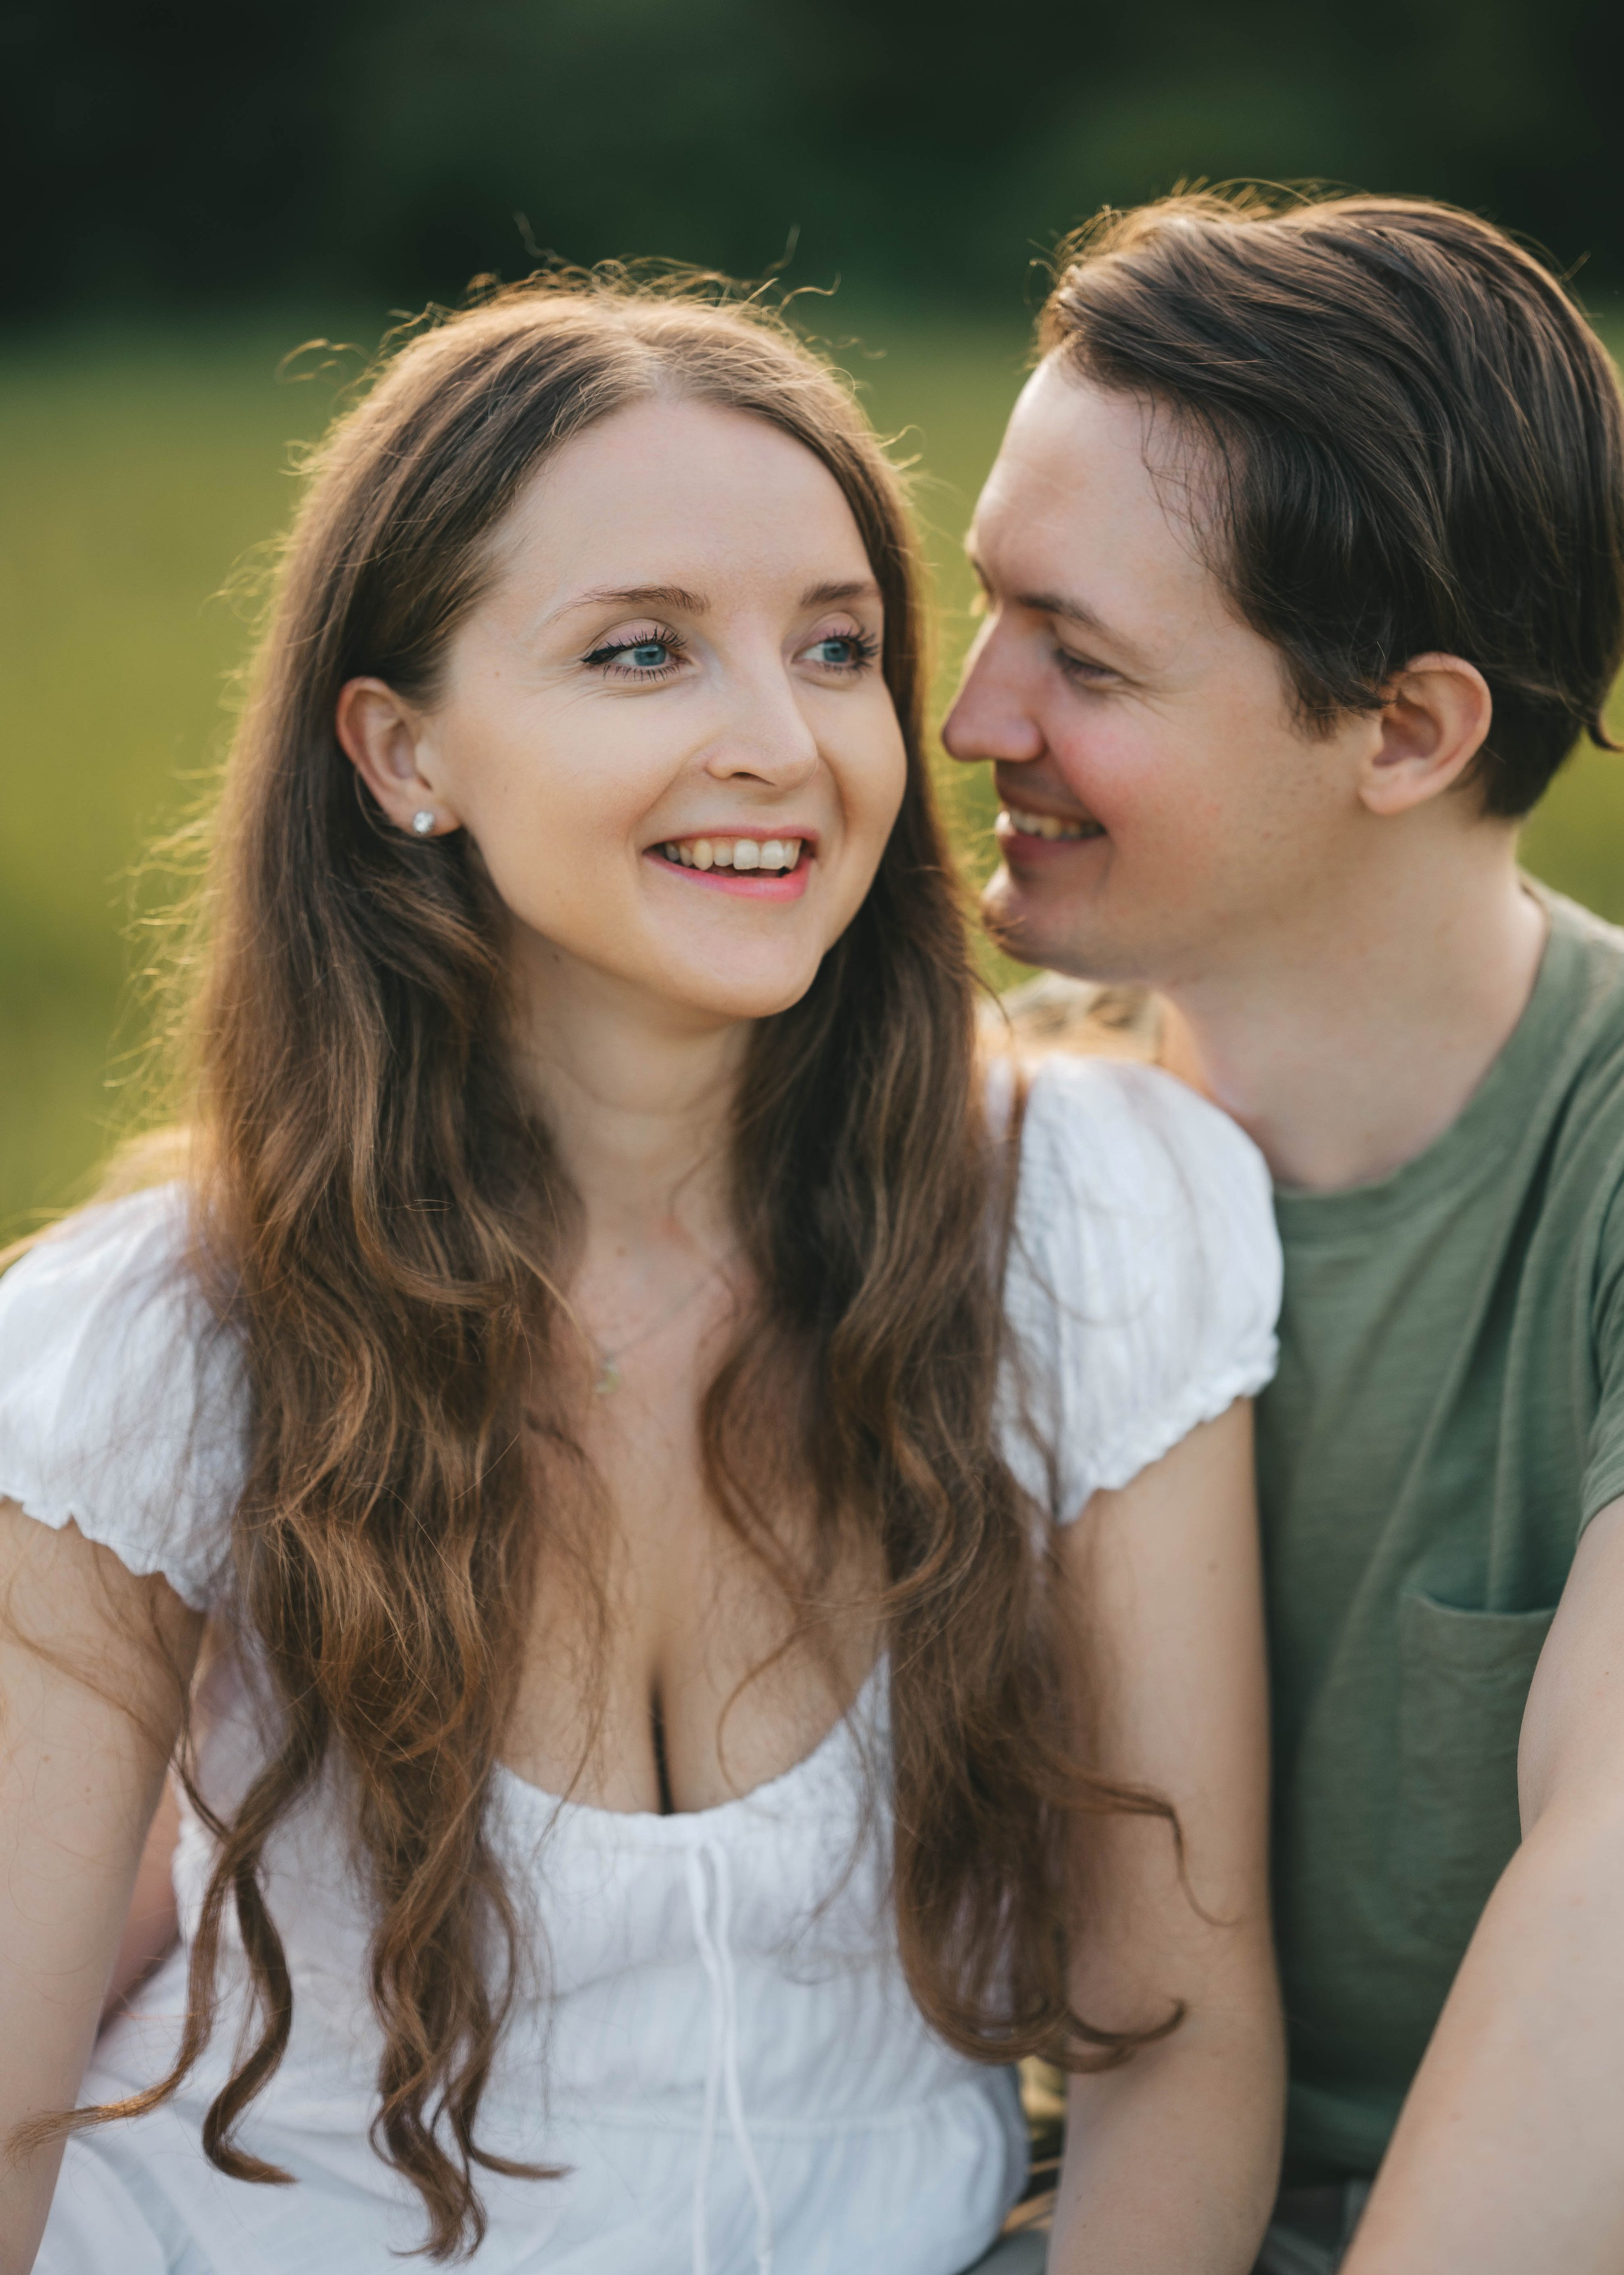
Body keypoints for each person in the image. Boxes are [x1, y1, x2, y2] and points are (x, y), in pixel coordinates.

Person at [0, 275, 1285, 2275]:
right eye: (641, 652)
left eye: (838, 648)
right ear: (402, 752)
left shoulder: (1090, 1221)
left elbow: (1179, 2043)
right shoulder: (147, 1353)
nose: (781, 743)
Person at [943, 189, 1624, 2274]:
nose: (971, 717)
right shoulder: (960, 1153)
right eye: (987, 609)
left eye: (1083, 658)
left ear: (1404, 733)